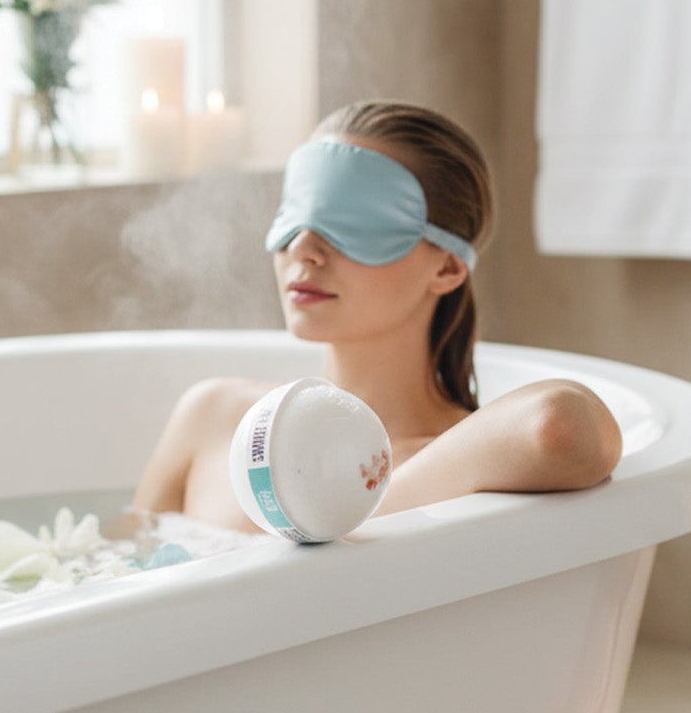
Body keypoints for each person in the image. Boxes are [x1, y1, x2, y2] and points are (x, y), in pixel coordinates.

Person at [133, 99, 622, 534]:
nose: (303, 247)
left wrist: (348, 522)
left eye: (353, 223)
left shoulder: (475, 462)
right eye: (294, 215)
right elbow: (115, 569)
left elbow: (564, 424)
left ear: (448, 268)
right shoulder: (215, 416)